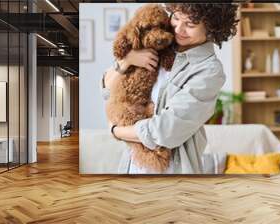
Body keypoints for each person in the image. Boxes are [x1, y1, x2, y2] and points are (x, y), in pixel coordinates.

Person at [101, 3, 239, 174]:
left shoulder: (209, 70)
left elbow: (166, 131)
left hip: (172, 171)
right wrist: (127, 60)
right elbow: (107, 89)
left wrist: (116, 131)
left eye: (190, 24)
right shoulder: (157, 43)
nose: (179, 29)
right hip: (131, 166)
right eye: (176, 17)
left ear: (211, 28)